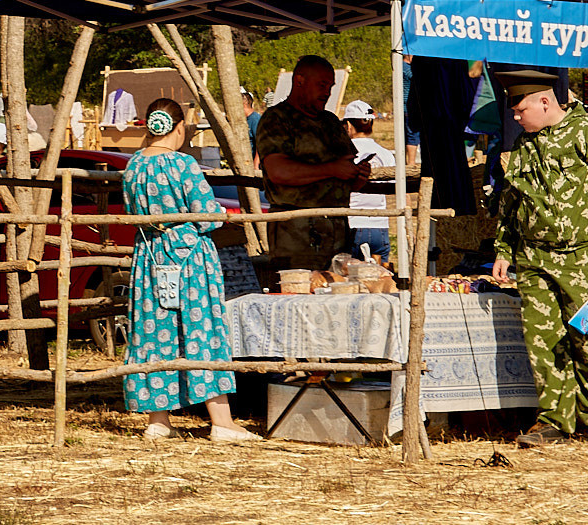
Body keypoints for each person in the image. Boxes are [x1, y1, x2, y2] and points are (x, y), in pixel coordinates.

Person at [489, 68, 588, 448]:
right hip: (535, 260)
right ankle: (554, 418)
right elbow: (511, 203)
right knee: (543, 341)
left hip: (584, 259)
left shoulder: (585, 136)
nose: (517, 117)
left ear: (544, 100)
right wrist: (504, 250)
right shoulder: (523, 146)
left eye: (521, 110)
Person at [121, 98, 252, 441]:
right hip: (189, 259)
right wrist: (223, 217)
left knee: (153, 331)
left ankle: (158, 420)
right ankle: (221, 422)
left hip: (149, 257)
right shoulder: (183, 165)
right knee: (201, 329)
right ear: (179, 127)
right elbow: (205, 213)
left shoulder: (133, 165)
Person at [253, 56, 364, 269]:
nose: (327, 92)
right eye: (321, 85)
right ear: (299, 81)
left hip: (337, 230)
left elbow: (348, 179)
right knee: (297, 295)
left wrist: (356, 174)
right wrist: (333, 169)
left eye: (330, 86)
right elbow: (278, 171)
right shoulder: (277, 118)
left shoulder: (330, 122)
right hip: (297, 233)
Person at [340, 101, 395, 262]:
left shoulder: (344, 153)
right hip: (381, 225)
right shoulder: (385, 154)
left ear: (348, 125)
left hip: (354, 223)